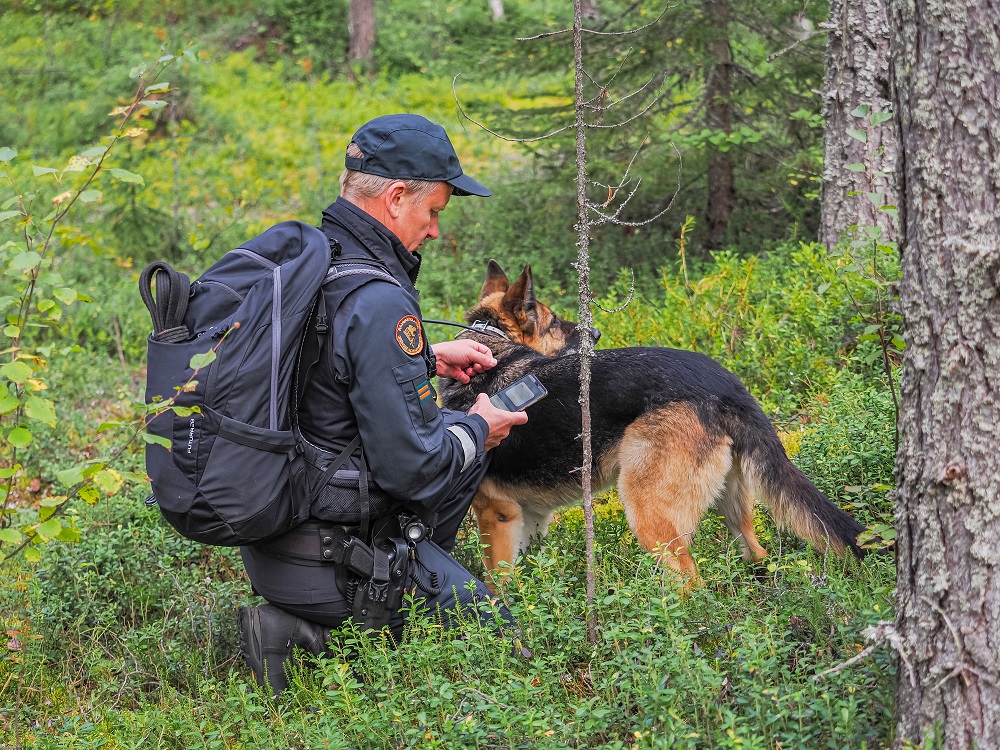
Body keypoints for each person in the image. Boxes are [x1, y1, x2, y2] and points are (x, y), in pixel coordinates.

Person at [237, 114, 528, 695]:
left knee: (442, 426)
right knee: (503, 644)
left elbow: (322, 375)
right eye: (435, 212)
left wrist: (421, 358)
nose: (436, 231)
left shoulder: (315, 257)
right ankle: (337, 623)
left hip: (274, 540)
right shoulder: (377, 300)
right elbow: (412, 469)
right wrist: (480, 426)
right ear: (396, 198)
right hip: (328, 559)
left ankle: (318, 619)